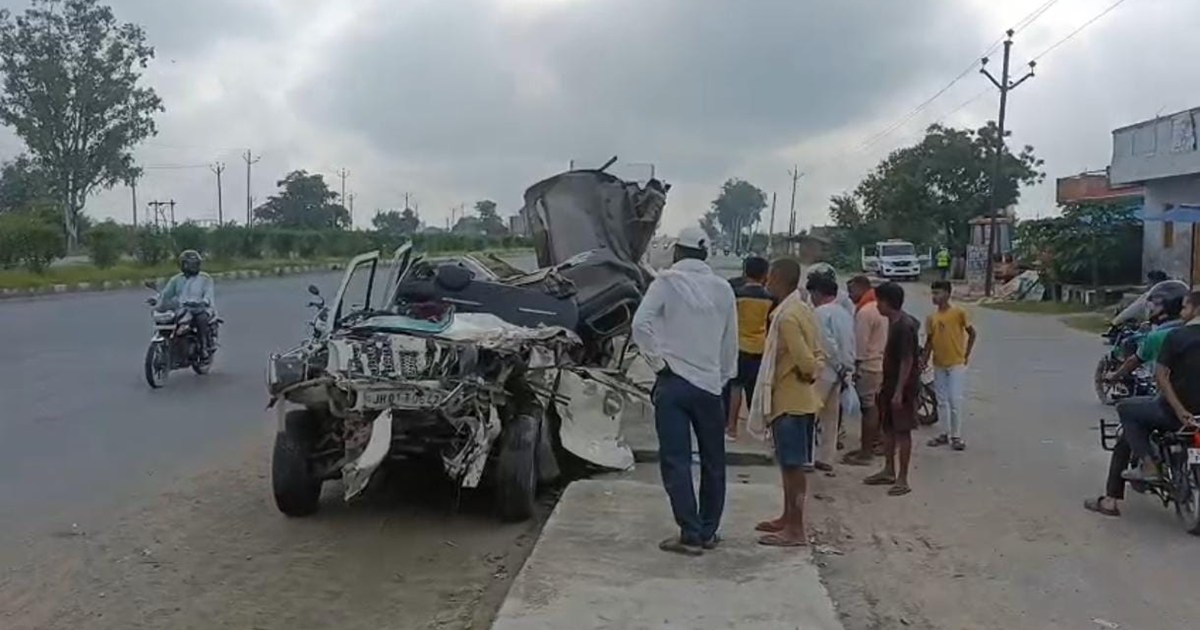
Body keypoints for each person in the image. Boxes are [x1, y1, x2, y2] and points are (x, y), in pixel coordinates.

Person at [632, 226, 738, 556]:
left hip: (674, 383)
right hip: (709, 387)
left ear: (677, 252)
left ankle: (689, 534)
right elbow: (729, 342)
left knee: (677, 460)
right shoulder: (723, 289)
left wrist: (658, 362)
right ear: (705, 254)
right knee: (713, 461)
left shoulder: (666, 283)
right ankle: (708, 530)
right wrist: (720, 378)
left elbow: (640, 324)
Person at [1085, 295, 1188, 517]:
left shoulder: (1163, 336)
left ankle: (1114, 497)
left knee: (1127, 421)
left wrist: (1115, 376)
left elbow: (1139, 364)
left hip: (1174, 406)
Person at [746, 257, 826, 547]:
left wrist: (806, 371)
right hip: (798, 400)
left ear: (779, 278)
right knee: (788, 465)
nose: (767, 282)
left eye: (771, 277)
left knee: (793, 468)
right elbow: (819, 353)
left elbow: (807, 360)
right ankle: (787, 518)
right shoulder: (802, 309)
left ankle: (796, 529)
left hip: (791, 401)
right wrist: (811, 370)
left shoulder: (788, 316)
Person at [1118, 291, 1200, 484]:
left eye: (1185, 307)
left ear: (1196, 309)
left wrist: (1180, 411)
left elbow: (1161, 376)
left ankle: (1149, 466)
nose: (1181, 312)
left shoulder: (1176, 336)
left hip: (1178, 415)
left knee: (1126, 409)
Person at [863, 282, 920, 496]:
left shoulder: (904, 326)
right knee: (887, 428)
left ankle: (902, 478)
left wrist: (898, 391)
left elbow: (907, 361)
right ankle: (888, 469)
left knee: (902, 431)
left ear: (887, 302)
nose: (876, 305)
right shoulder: (896, 322)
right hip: (890, 384)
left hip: (902, 387)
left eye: (878, 301)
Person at [807, 272, 855, 472]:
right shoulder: (844, 313)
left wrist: (837, 364)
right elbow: (850, 343)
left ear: (817, 293)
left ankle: (807, 456)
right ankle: (826, 457)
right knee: (831, 416)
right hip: (842, 370)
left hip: (826, 368)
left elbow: (826, 344)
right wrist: (846, 368)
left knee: (811, 413)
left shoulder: (820, 313)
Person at [724, 256, 774, 440]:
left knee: (735, 387)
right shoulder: (770, 298)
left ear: (745, 272)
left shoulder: (736, 294)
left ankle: (731, 428)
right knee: (757, 389)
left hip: (739, 347)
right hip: (761, 347)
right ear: (765, 275)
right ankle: (761, 429)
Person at [922, 280, 977, 451]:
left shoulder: (958, 313)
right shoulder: (932, 318)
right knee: (941, 401)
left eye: (938, 293)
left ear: (947, 294)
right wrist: (924, 360)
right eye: (933, 293)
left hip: (956, 363)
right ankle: (944, 433)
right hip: (939, 363)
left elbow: (972, 333)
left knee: (955, 399)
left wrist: (966, 354)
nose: (935, 297)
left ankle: (956, 435)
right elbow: (929, 341)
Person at [842, 275, 889, 466]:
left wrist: (854, 367)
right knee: (875, 407)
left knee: (868, 408)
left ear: (862, 288)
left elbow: (860, 346)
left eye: (852, 290)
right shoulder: (877, 308)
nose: (850, 295)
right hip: (879, 363)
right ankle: (875, 443)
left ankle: (866, 452)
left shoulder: (865, 312)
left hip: (868, 365)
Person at [158, 249, 216, 357]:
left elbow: (209, 294)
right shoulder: (176, 280)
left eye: (194, 264)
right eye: (188, 264)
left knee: (201, 319)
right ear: (182, 265)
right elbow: (166, 294)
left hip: (201, 308)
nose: (191, 267)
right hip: (182, 309)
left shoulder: (205, 278)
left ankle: (203, 347)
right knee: (169, 321)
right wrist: (157, 299)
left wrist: (204, 301)